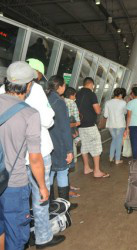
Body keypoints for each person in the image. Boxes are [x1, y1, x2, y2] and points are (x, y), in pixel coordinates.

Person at [0, 61, 49, 250]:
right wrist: (42, 186)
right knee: (17, 236)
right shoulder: (30, 114)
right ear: (28, 86)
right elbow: (35, 158)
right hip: (14, 183)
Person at [25, 59, 65, 248]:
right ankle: (43, 237)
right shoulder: (37, 90)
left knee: (19, 198)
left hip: (14, 154)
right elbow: (49, 121)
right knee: (41, 194)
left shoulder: (2, 90)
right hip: (39, 151)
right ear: (37, 74)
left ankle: (23, 237)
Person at [46, 75, 77, 210]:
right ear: (59, 86)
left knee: (49, 174)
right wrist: (69, 150)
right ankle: (64, 206)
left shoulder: (45, 99)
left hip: (47, 144)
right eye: (64, 85)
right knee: (62, 172)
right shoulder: (59, 102)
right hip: (59, 144)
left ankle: (51, 205)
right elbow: (65, 128)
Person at [76, 77, 109, 178]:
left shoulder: (78, 93)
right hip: (90, 125)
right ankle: (97, 171)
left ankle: (86, 168)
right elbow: (98, 111)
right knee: (96, 146)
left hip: (80, 125)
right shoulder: (91, 94)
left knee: (85, 146)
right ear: (92, 85)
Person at [64, 87, 81, 198]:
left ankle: (68, 186)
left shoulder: (60, 101)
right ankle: (67, 189)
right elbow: (77, 121)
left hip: (60, 135)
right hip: (69, 135)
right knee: (69, 161)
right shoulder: (72, 103)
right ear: (72, 95)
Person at [104, 88, 127, 164]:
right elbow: (125, 112)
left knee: (114, 140)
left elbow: (105, 115)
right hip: (120, 125)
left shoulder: (108, 102)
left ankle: (111, 157)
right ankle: (117, 159)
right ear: (120, 95)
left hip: (110, 125)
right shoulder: (123, 103)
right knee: (119, 141)